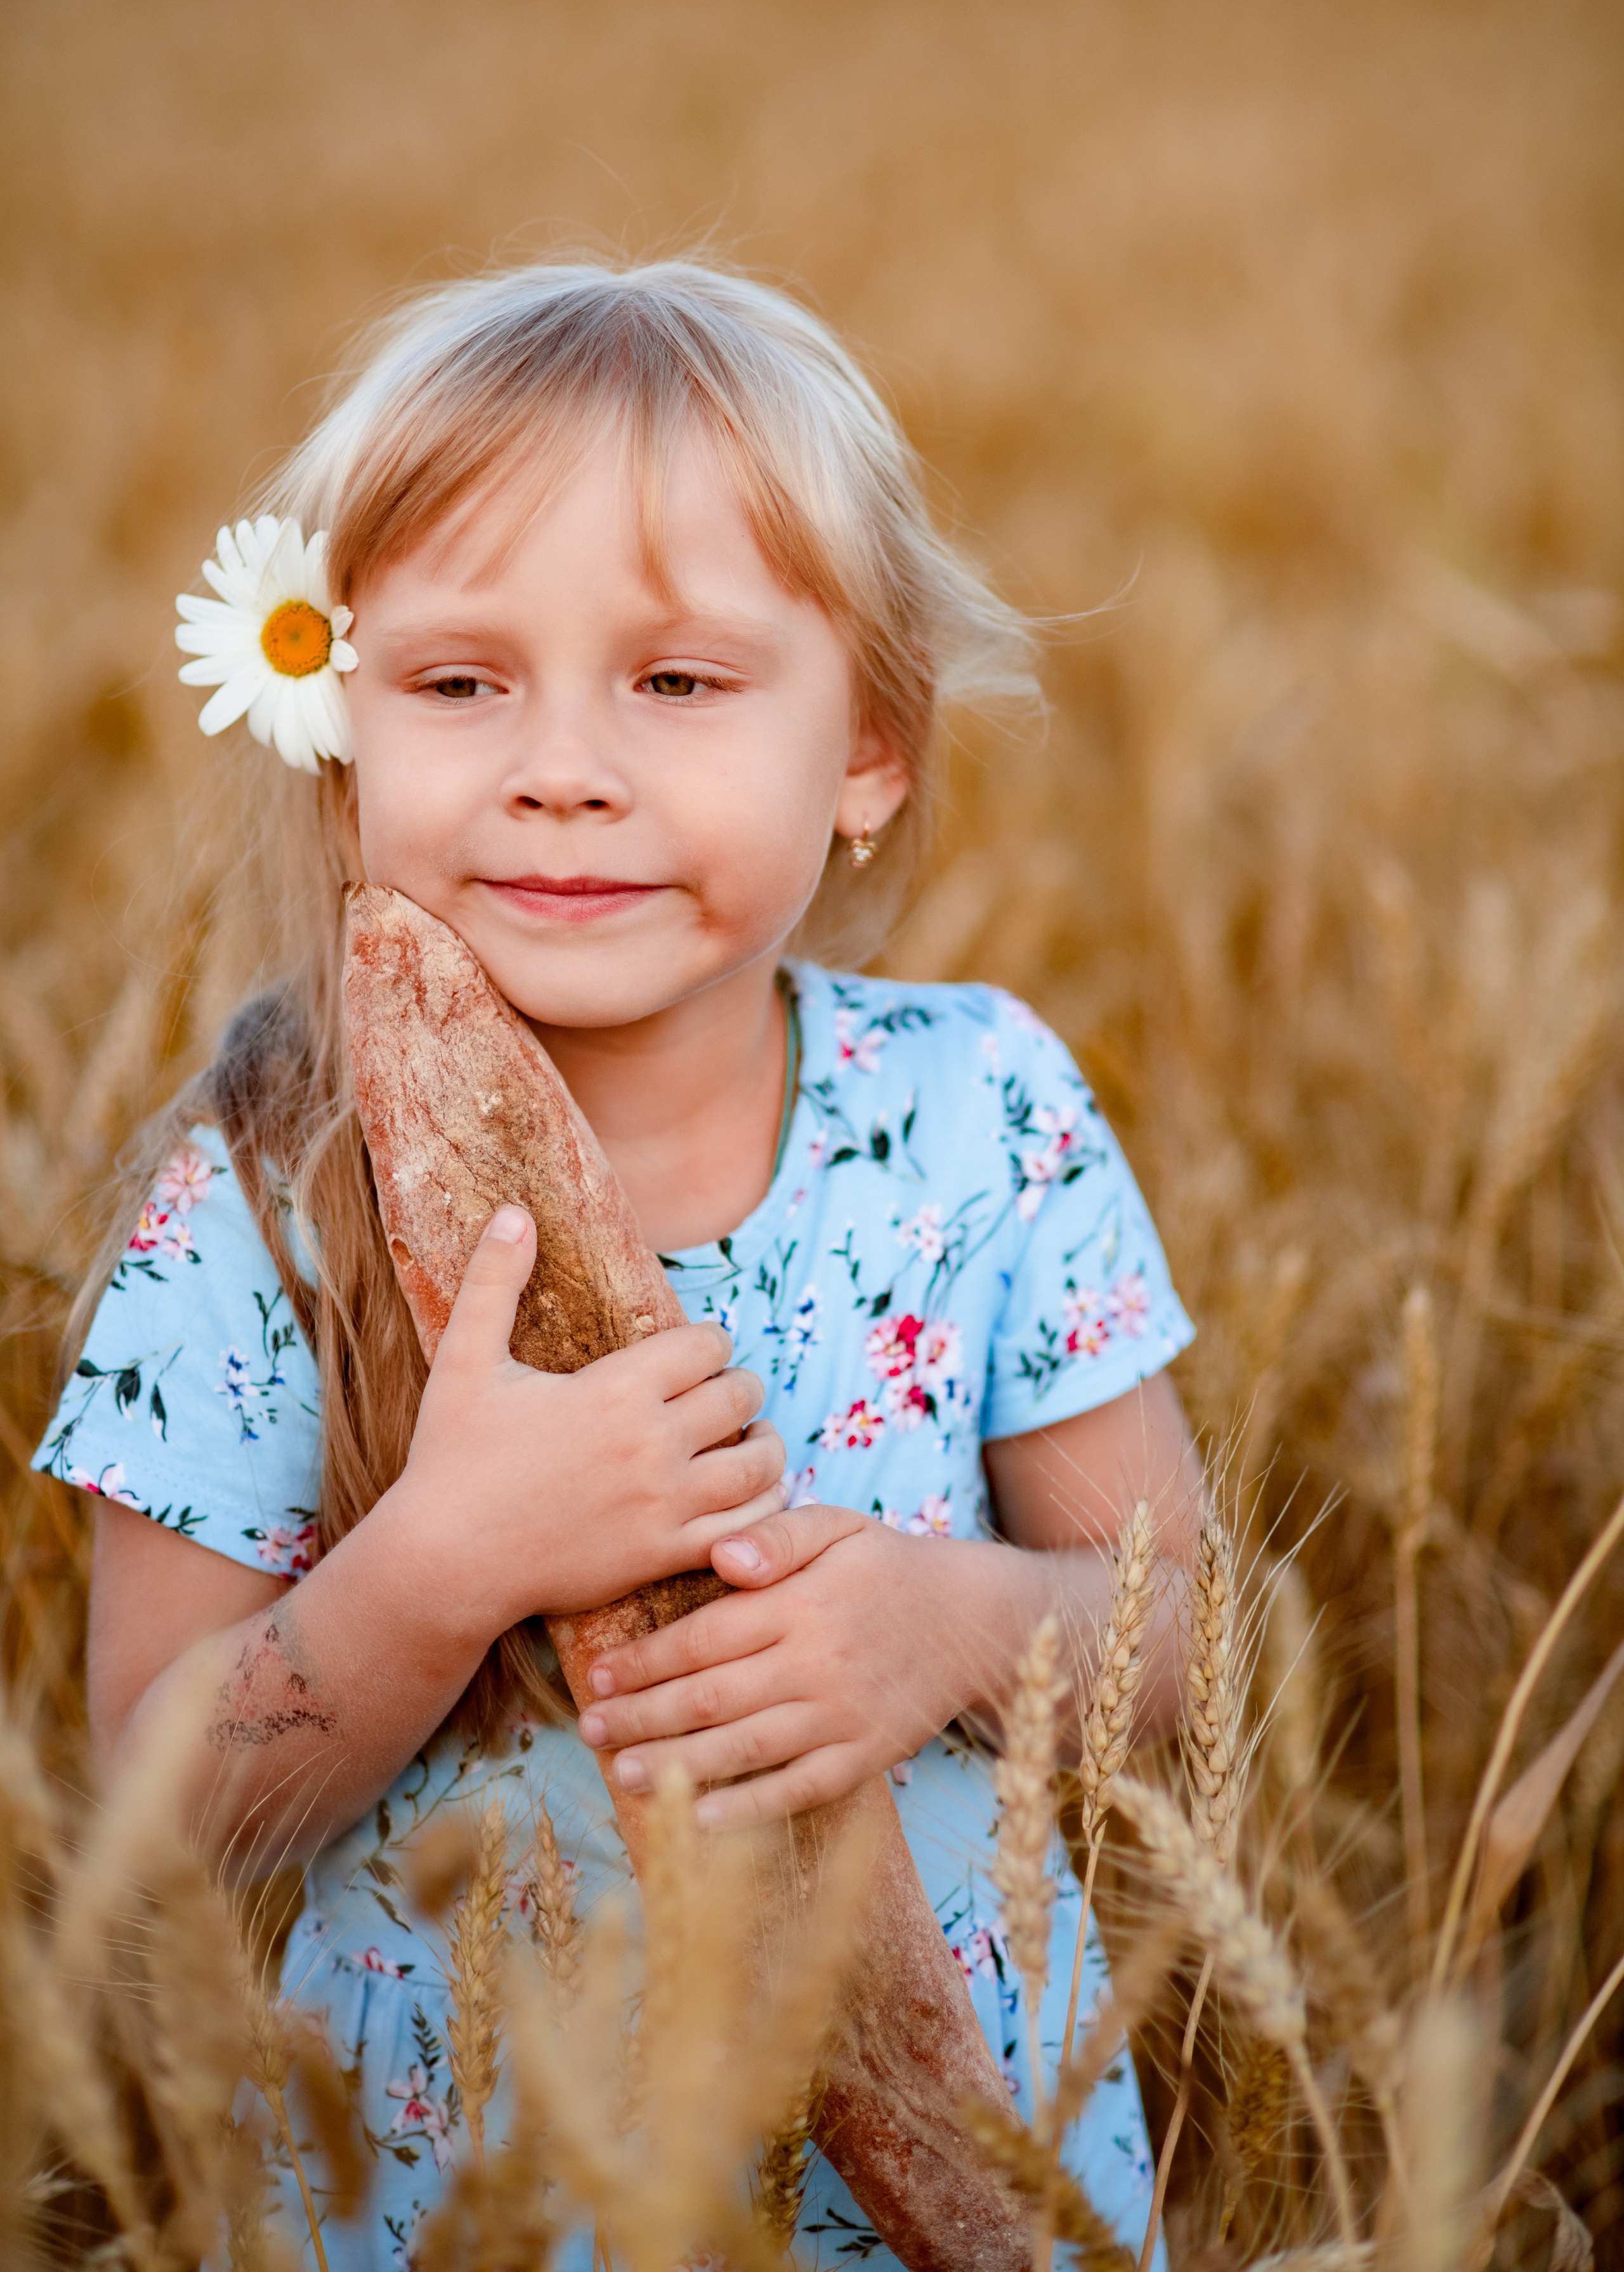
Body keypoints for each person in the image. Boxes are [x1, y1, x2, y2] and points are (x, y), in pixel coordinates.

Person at [37, 259, 1202, 2268]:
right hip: (459, 2209)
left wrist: (957, 1624)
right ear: (336, 732)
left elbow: (1177, 1627)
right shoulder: (254, 1193)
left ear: (870, 750)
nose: (562, 764)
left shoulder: (978, 1119)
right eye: (461, 681)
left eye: (677, 683)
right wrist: (444, 1562)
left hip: (945, 2202)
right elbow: (156, 1807)